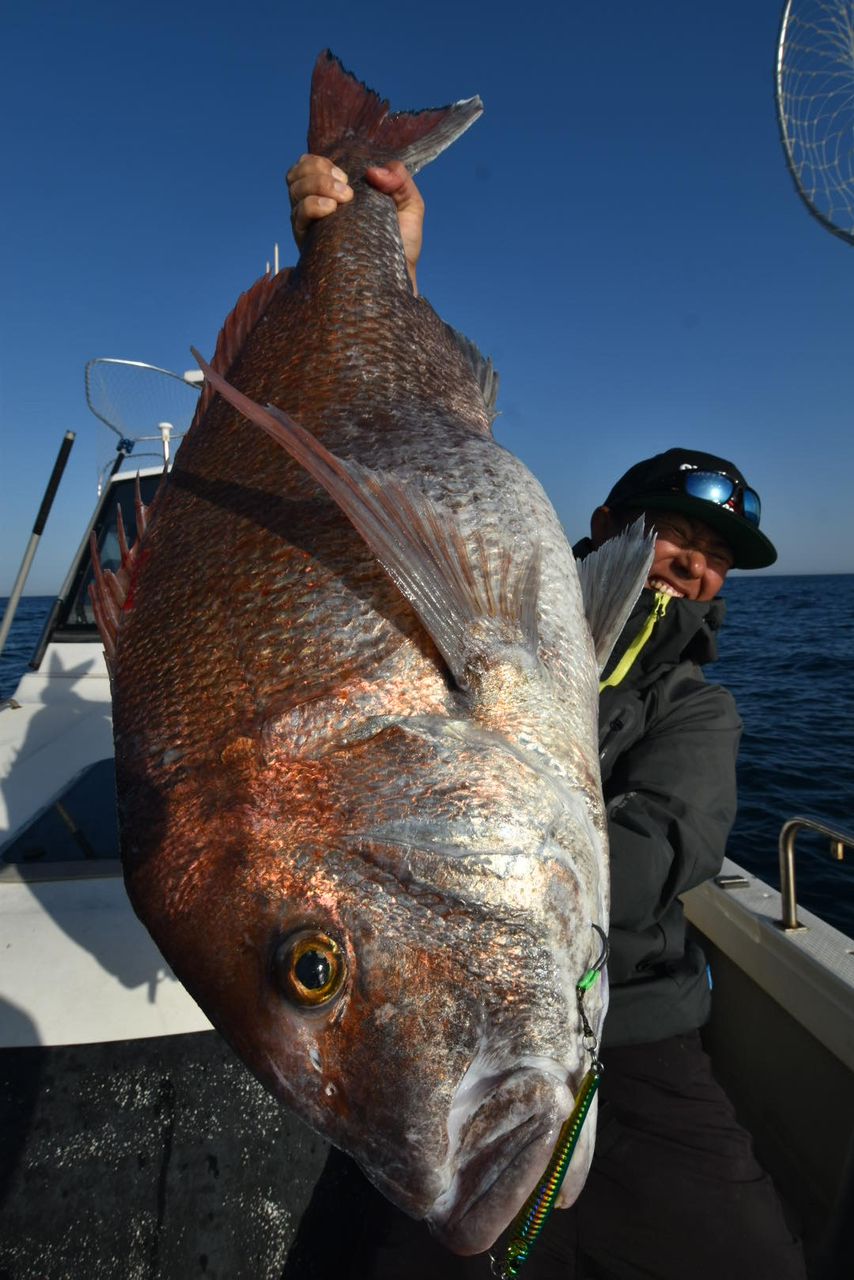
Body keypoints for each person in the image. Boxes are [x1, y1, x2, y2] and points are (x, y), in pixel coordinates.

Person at [280, 157, 807, 1280]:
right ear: (609, 521)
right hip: (434, 1016)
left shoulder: (694, 710)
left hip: (641, 1033)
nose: (695, 567)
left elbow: (660, 854)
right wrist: (377, 263)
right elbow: (386, 465)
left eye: (715, 561)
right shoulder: (483, 612)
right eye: (676, 534)